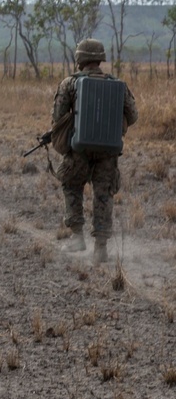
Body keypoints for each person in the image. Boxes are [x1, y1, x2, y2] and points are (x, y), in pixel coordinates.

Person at [53, 38, 137, 263]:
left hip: (78, 150)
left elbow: (58, 118)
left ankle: (77, 237)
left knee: (71, 185)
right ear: (100, 58)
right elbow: (133, 115)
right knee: (103, 194)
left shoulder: (69, 84)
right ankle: (101, 248)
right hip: (108, 152)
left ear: (80, 58)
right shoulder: (118, 83)